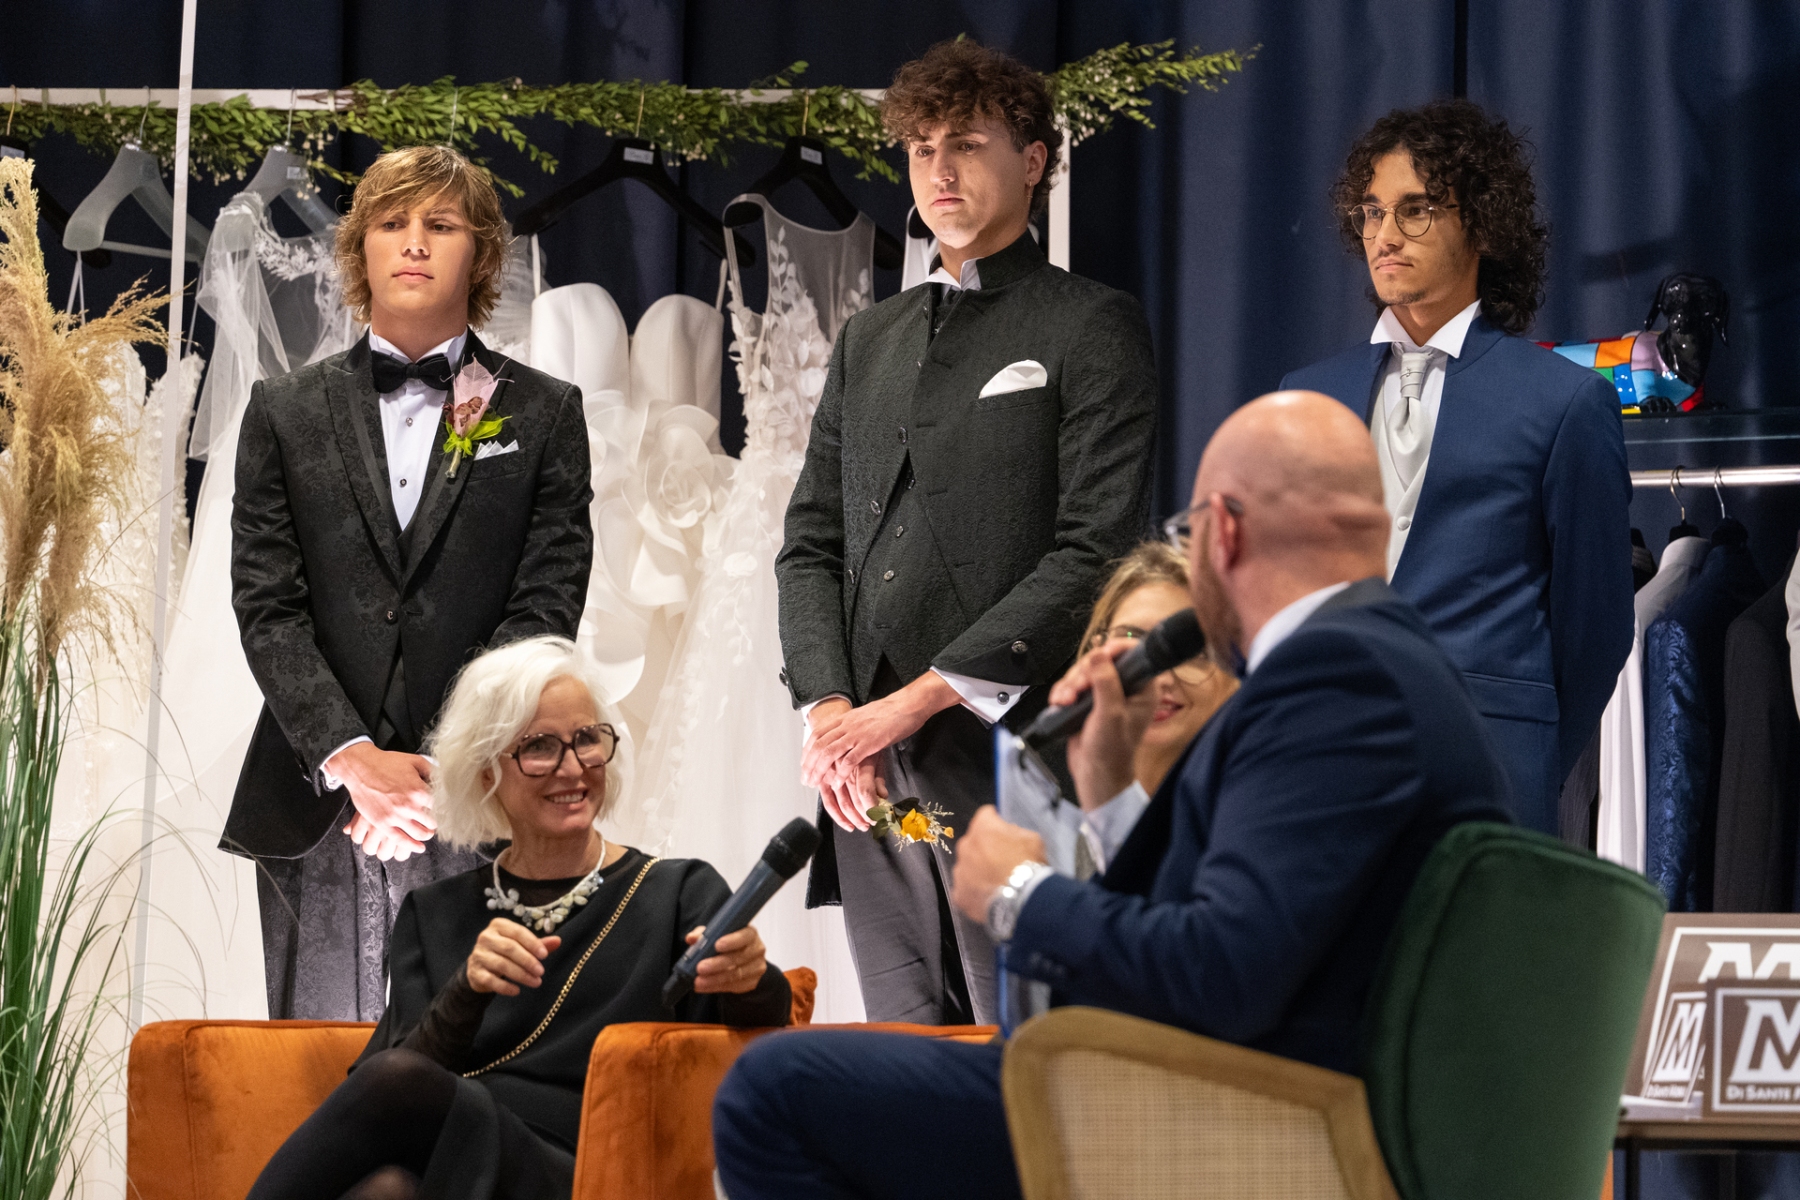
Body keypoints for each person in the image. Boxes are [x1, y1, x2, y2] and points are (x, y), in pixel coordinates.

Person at [713, 391, 1513, 1199]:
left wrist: (1019, 890)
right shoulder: (1392, 661)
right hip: (1221, 1090)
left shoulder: (1334, 676)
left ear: (1223, 532)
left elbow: (1222, 974)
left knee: (772, 1090)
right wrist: (1105, 787)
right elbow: (1242, 933)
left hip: (1245, 1122)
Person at [776, 38, 1158, 1026]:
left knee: (1018, 1054)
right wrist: (830, 711)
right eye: (921, 149)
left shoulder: (1091, 324)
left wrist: (910, 704)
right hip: (867, 772)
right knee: (905, 1054)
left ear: (1032, 160)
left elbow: (1097, 552)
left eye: (967, 144)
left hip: (1010, 755)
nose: (939, 170)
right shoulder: (870, 338)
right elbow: (811, 541)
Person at [227, 144, 595, 1021]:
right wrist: (355, 761)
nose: (415, 242)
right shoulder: (283, 411)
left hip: (481, 800)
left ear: (481, 252)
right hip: (317, 800)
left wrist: (442, 766)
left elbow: (545, 607)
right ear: (361, 248)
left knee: (477, 1064)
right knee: (314, 1076)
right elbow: (268, 607)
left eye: (442, 224)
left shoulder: (545, 412)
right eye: (392, 223)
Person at [247, 636, 791, 1200]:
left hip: (592, 1171)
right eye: (539, 747)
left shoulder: (676, 891)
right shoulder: (435, 913)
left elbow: (753, 1030)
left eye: (587, 739)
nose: (572, 768)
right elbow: (383, 1095)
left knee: (398, 1099)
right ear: (486, 773)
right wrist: (466, 992)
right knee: (389, 1191)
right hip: (458, 1160)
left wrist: (752, 978)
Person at [1280, 99, 1633, 836]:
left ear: (1483, 223)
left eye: (1416, 210)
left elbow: (1595, 632)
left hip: (1489, 784)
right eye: (1372, 213)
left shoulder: (1564, 403)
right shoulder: (1306, 396)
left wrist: (1526, 757)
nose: (1385, 235)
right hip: (1323, 777)